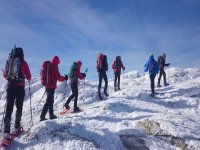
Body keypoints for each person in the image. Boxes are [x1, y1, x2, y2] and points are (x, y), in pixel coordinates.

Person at [2, 47, 31, 140]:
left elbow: (6, 75)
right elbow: (29, 76)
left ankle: (6, 132)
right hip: (20, 87)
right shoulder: (24, 62)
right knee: (19, 107)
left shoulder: (9, 61)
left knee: (9, 107)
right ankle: (16, 127)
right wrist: (25, 76)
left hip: (10, 86)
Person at [40, 56, 67, 121]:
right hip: (51, 86)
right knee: (49, 101)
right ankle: (42, 116)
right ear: (57, 61)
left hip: (48, 85)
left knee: (51, 101)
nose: (58, 63)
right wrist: (64, 78)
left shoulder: (50, 66)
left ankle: (51, 115)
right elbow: (58, 77)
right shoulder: (54, 67)